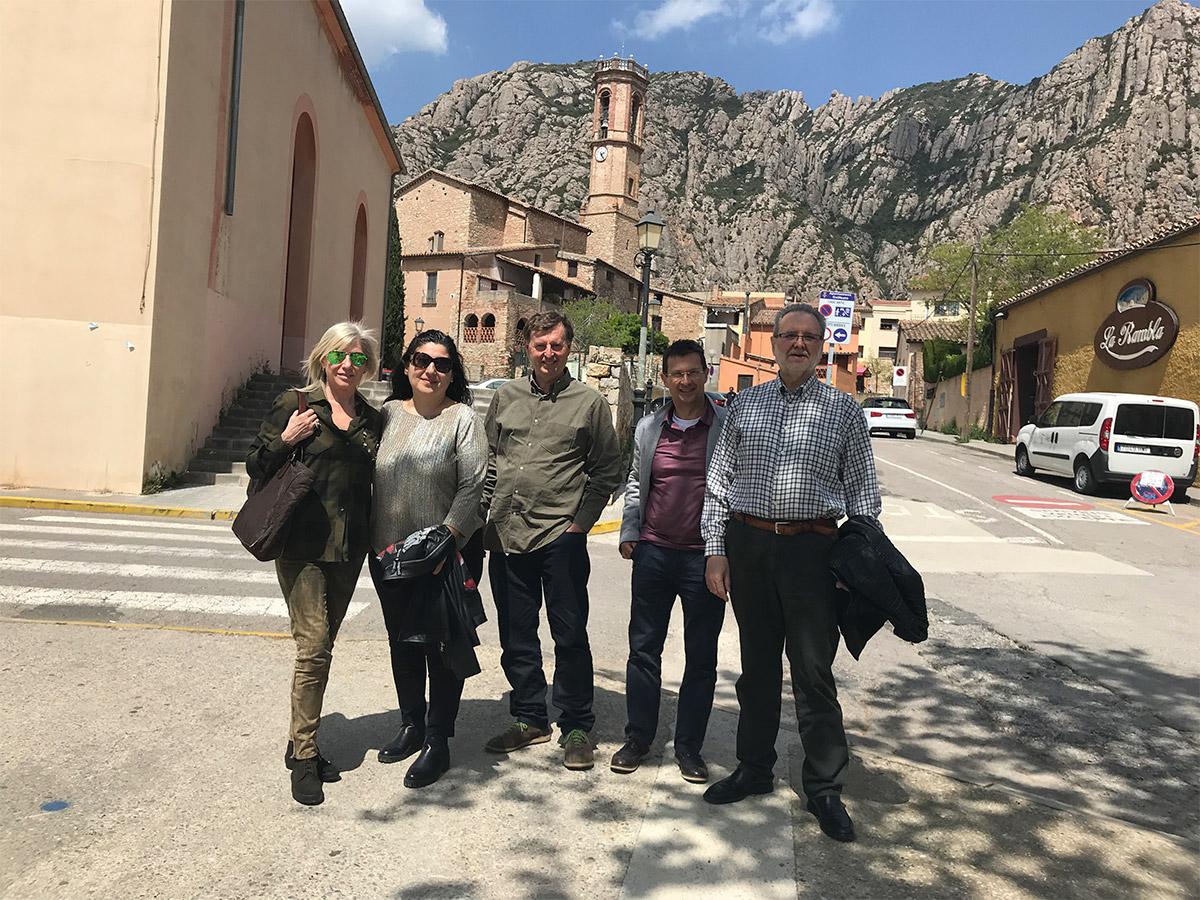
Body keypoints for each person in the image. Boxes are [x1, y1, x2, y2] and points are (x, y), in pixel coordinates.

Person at [700, 302, 881, 844]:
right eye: (789, 335)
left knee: (813, 673)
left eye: (809, 337)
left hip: (813, 552)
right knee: (756, 669)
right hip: (750, 546)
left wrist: (855, 565)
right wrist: (716, 550)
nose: (798, 343)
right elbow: (719, 483)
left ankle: (824, 787)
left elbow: (864, 498)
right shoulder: (744, 405)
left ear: (822, 346)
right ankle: (754, 768)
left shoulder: (844, 411)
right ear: (774, 343)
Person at [246, 321, 383, 807]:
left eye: (359, 358)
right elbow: (256, 464)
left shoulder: (372, 420)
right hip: (301, 547)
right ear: (324, 358)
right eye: (340, 355)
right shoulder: (297, 404)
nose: (348, 365)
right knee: (314, 647)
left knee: (324, 647)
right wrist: (286, 438)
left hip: (349, 549)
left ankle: (298, 739)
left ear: (367, 366)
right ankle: (304, 756)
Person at [481, 311, 622, 770]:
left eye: (556, 345)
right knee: (515, 634)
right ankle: (530, 718)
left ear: (569, 349)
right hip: (506, 535)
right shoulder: (505, 397)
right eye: (540, 345)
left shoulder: (589, 403)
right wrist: (482, 518)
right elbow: (490, 461)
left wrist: (579, 525)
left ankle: (577, 724)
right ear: (527, 348)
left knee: (569, 634)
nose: (548, 353)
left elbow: (607, 471)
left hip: (560, 537)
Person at [368, 330, 487, 789]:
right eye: (421, 360)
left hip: (444, 557)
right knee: (402, 641)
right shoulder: (387, 414)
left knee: (442, 647)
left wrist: (446, 539)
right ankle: (411, 723)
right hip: (390, 555)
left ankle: (438, 738)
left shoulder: (463, 419)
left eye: (442, 364)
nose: (430, 370)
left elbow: (473, 485)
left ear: (453, 374)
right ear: (407, 365)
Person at [611, 340, 728, 783]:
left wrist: (724, 550)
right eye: (677, 373)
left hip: (705, 558)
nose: (685, 381)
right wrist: (630, 531)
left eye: (693, 372)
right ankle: (638, 738)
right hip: (654, 553)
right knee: (643, 651)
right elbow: (635, 482)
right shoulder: (648, 428)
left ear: (706, 374)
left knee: (701, 657)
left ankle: (688, 748)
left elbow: (734, 485)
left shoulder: (725, 425)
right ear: (664, 379)